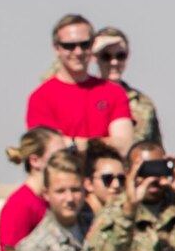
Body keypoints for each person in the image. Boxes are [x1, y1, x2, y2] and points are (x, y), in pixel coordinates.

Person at [27, 14, 135, 152]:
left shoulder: (114, 92)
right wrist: (104, 143)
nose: (78, 52)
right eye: (69, 46)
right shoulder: (41, 98)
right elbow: (48, 150)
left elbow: (124, 145)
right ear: (56, 48)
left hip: (107, 173)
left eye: (84, 45)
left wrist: (71, 143)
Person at [0, 126, 67, 251]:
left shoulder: (50, 200)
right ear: (35, 161)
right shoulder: (19, 205)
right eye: (57, 155)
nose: (64, 160)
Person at [91, 27, 160, 148]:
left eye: (120, 55)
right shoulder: (83, 95)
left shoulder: (142, 103)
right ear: (94, 57)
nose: (114, 62)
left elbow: (156, 147)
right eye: (106, 56)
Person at [82, 139, 128, 215]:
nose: (116, 185)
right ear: (88, 184)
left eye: (121, 178)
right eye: (108, 179)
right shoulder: (80, 218)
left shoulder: (119, 214)